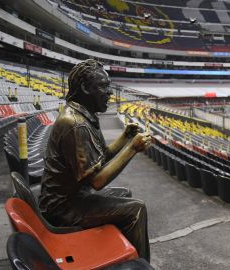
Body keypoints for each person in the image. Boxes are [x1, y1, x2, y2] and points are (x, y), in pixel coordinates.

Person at [39, 59, 152, 262]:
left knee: (124, 194)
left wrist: (124, 137)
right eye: (103, 86)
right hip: (63, 207)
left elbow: (99, 159)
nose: (109, 92)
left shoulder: (83, 115)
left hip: (72, 197)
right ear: (85, 88)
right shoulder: (76, 124)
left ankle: (119, 255)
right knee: (136, 209)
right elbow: (97, 181)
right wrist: (132, 148)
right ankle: (139, 266)